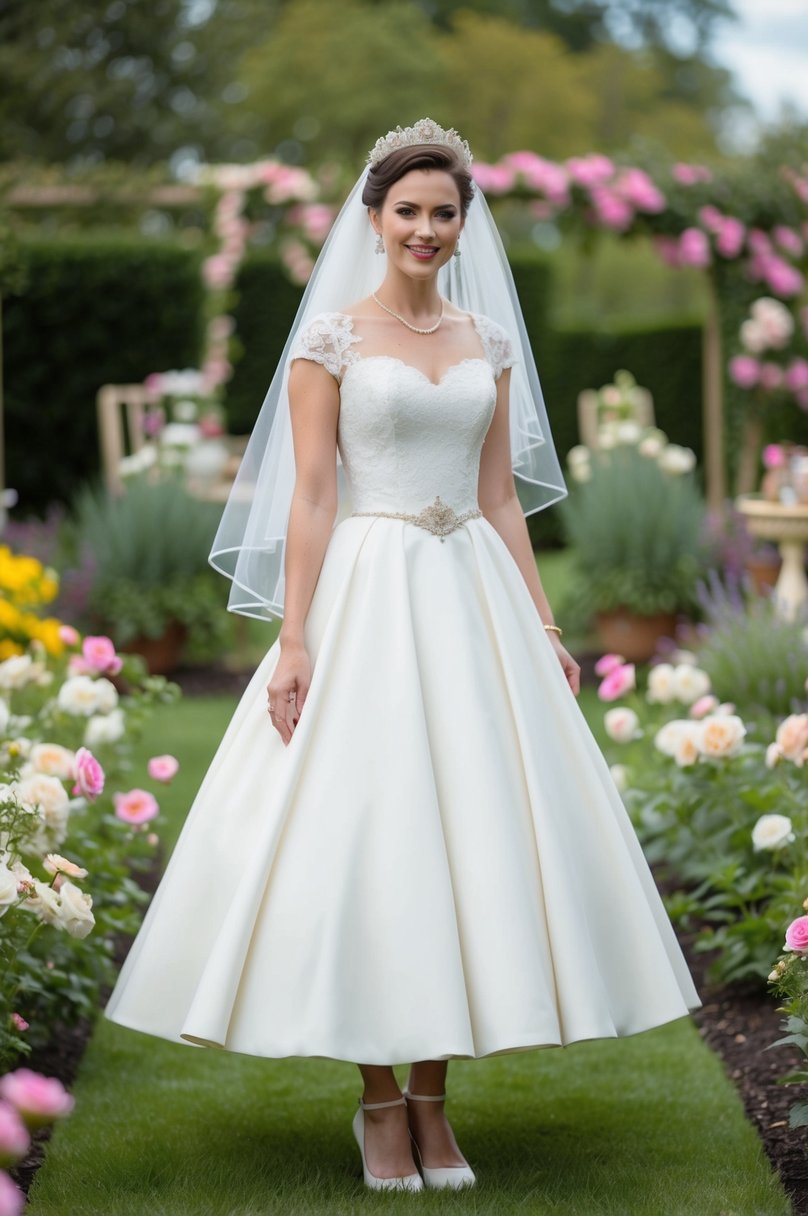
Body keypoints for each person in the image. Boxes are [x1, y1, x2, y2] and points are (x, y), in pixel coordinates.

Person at [105, 119, 700, 1193]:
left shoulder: (489, 341)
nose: (425, 228)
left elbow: (498, 495)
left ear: (463, 223)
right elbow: (314, 496)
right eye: (407, 211)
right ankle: (378, 1105)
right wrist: (293, 639)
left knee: (462, 845)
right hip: (367, 600)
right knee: (369, 839)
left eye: (443, 212)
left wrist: (544, 624)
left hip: (470, 600)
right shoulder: (329, 340)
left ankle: (433, 1104)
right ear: (374, 220)